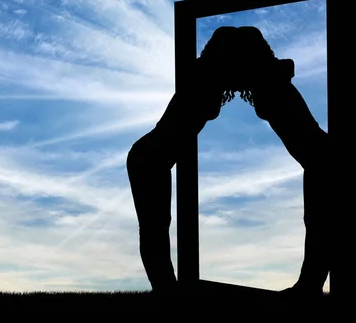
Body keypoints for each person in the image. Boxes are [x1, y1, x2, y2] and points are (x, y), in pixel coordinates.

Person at [126, 26, 254, 293]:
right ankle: (165, 291)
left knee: (157, 226)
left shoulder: (214, 76)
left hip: (158, 160)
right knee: (154, 228)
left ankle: (168, 291)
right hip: (148, 157)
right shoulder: (201, 75)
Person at [224, 28, 332, 299]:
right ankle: (310, 287)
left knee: (319, 223)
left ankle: (309, 288)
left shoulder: (270, 79)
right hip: (314, 158)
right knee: (316, 222)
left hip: (320, 156)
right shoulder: (263, 78)